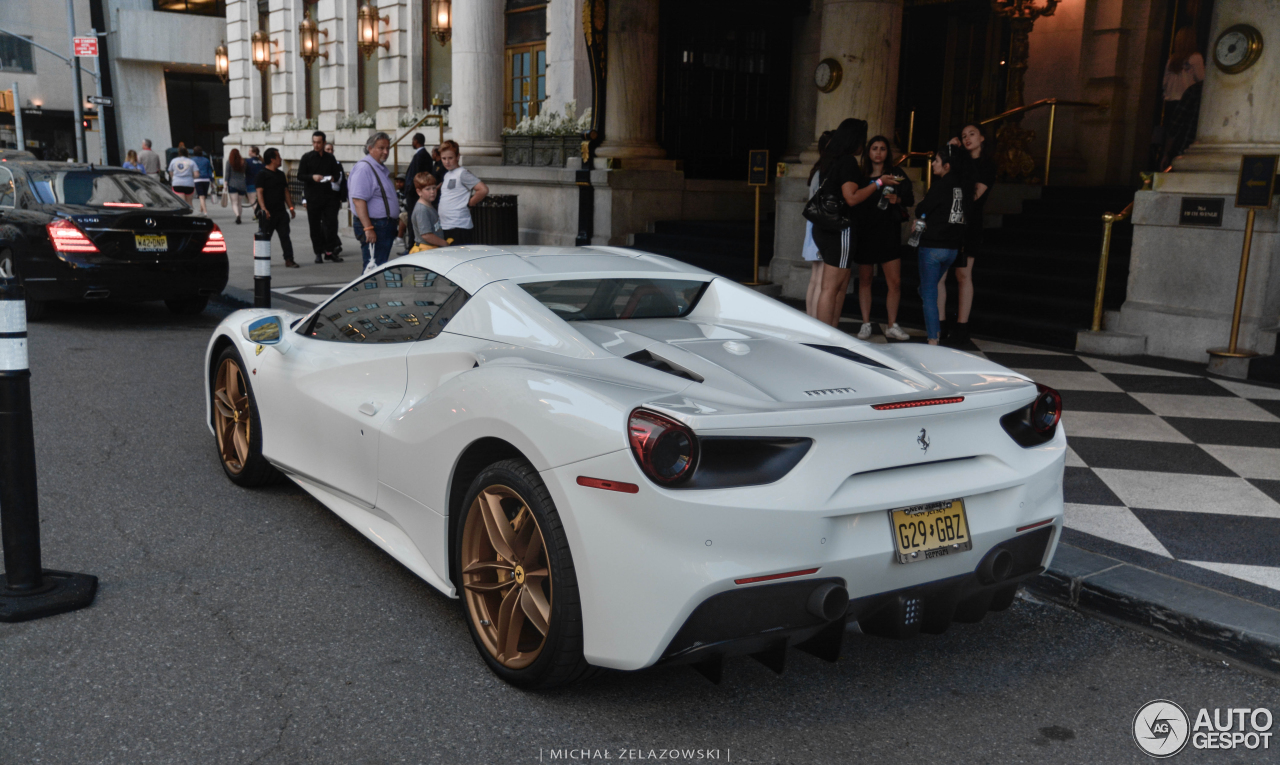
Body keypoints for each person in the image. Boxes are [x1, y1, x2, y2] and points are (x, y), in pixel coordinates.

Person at [810, 118, 897, 328]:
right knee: (831, 288)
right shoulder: (848, 161)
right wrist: (878, 183)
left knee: (832, 287)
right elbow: (852, 197)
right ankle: (826, 338)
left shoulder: (829, 160)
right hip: (840, 230)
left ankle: (831, 332)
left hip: (822, 228)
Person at [938, 123, 994, 345]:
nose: (967, 138)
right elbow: (942, 181)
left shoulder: (987, 165)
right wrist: (952, 151)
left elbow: (974, 195)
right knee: (941, 275)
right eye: (963, 136)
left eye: (972, 134)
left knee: (963, 275)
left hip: (970, 223)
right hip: (948, 222)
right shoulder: (958, 160)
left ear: (982, 138)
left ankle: (962, 327)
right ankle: (940, 324)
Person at [854, 135, 913, 341]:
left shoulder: (896, 173)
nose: (878, 152)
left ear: (888, 153)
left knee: (894, 282)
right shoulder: (862, 176)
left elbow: (911, 197)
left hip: (889, 232)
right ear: (868, 152)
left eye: (883, 149)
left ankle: (892, 325)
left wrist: (899, 199)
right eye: (874, 148)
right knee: (865, 280)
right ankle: (865, 323)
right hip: (866, 232)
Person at [913, 144, 971, 345]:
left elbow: (921, 208)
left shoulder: (940, 185)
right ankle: (935, 333)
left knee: (929, 293)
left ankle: (933, 340)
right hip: (952, 249)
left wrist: (922, 206)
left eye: (936, 161)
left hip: (932, 247)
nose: (933, 164)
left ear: (946, 165)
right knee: (928, 289)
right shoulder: (963, 187)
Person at [348, 131, 400, 271]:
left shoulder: (378, 167)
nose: (386, 152)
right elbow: (358, 200)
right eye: (381, 148)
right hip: (375, 225)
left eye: (388, 148)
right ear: (370, 148)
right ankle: (368, 292)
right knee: (373, 269)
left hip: (382, 225)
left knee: (378, 267)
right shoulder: (364, 168)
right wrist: (368, 228)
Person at [1160, 28, 1206, 171]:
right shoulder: (1196, 58)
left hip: (1170, 102)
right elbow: (1202, 79)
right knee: (1185, 137)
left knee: (1171, 135)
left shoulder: (1172, 59)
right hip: (1187, 101)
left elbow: (1165, 83)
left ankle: (1166, 161)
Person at [297, 130, 345, 264]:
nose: (316, 145)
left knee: (331, 224)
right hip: (313, 197)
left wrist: (331, 178)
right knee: (315, 227)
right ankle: (318, 252)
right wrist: (313, 177)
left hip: (329, 197)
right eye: (314, 142)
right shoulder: (307, 157)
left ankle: (329, 251)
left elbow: (337, 174)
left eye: (319, 142)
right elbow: (300, 176)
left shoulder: (330, 158)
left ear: (324, 143)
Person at [802, 130, 832, 318]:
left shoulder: (818, 170)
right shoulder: (823, 173)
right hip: (820, 227)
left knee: (816, 277)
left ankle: (811, 318)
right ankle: (814, 320)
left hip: (814, 226)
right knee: (819, 278)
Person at [436, 140, 489, 245]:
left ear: (458, 157)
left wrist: (470, 203)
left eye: (450, 158)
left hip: (459, 226)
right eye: (444, 158)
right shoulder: (447, 175)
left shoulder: (462, 173)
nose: (447, 162)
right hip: (446, 225)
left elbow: (483, 189)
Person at [255, 147, 298, 268]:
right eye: (278, 157)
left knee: (285, 236)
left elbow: (286, 191)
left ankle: (289, 259)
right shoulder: (262, 174)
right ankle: (262, 259)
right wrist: (263, 209)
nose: (281, 159)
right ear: (272, 159)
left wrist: (291, 207)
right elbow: (259, 192)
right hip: (268, 213)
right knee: (265, 237)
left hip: (281, 212)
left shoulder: (281, 174)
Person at [410, 172, 449, 249]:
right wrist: (444, 243)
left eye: (434, 188)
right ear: (419, 192)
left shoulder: (428, 205)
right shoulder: (422, 210)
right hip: (426, 249)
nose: (432, 192)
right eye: (428, 189)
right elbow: (426, 235)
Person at [224, 148, 249, 224]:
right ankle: (240, 216)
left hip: (232, 184)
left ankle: (237, 215)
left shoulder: (229, 162)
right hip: (242, 184)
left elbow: (227, 174)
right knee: (239, 203)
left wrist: (225, 184)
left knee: (234, 202)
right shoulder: (243, 162)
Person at [191, 146, 214, 215]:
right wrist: (212, 180)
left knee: (201, 196)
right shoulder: (206, 160)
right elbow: (210, 171)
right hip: (206, 179)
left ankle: (205, 212)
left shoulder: (192, 160)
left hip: (197, 179)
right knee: (204, 195)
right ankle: (201, 210)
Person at [244, 146, 265, 218]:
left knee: (252, 200)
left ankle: (257, 213)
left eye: (250, 151)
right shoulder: (262, 161)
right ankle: (261, 212)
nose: (248, 152)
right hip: (261, 183)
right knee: (260, 200)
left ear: (254, 152)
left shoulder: (247, 161)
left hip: (250, 182)